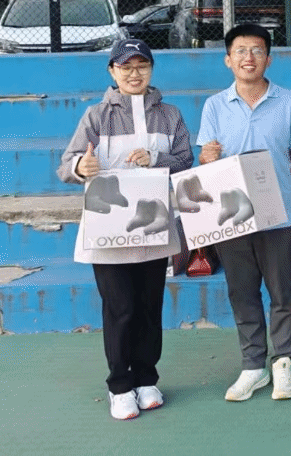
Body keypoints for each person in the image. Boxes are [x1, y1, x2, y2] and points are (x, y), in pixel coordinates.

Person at [58, 39, 193, 421]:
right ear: (112, 72)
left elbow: (185, 160)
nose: (134, 73)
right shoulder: (96, 116)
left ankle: (147, 379)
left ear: (151, 69)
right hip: (109, 233)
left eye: (142, 66)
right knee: (120, 308)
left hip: (153, 229)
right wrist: (81, 168)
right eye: (126, 67)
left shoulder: (169, 115)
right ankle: (119, 386)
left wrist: (156, 158)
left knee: (150, 307)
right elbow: (66, 165)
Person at [197, 22, 291, 403]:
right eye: (241, 51)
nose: (250, 57)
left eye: (258, 50)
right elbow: (206, 160)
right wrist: (206, 157)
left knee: (283, 291)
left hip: (279, 212)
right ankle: (252, 365)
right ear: (228, 59)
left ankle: (283, 362)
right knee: (242, 291)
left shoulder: (289, 102)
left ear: (269, 58)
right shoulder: (215, 106)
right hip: (232, 215)